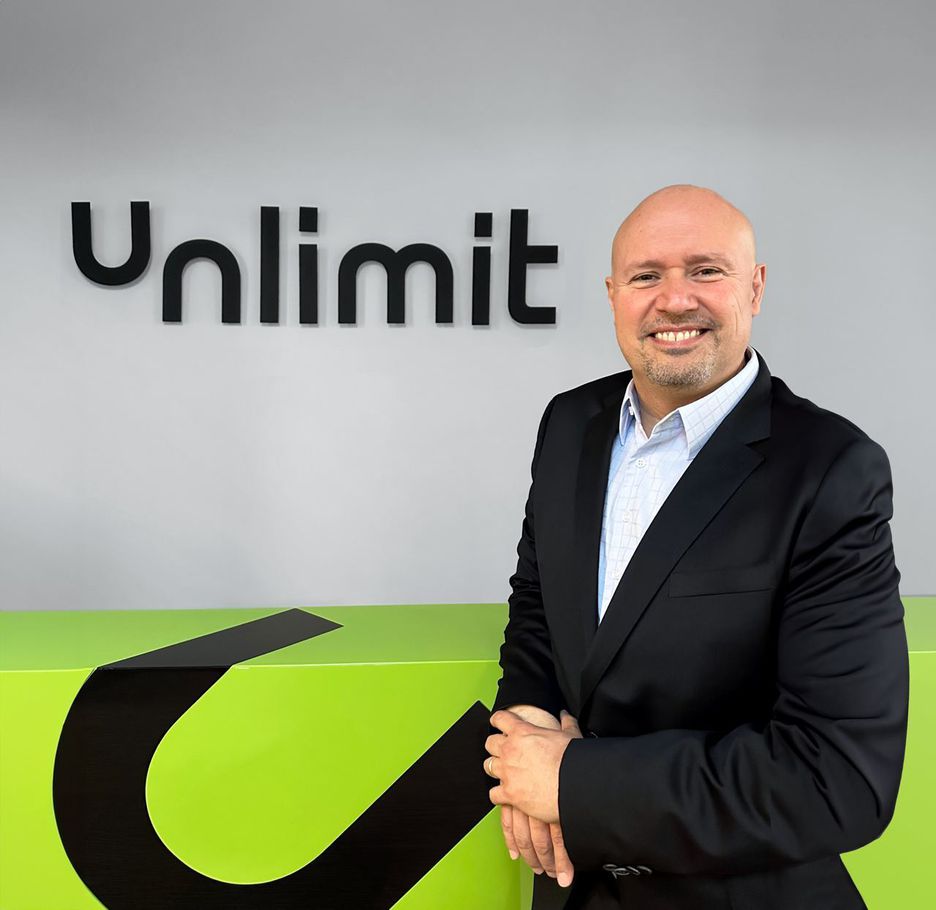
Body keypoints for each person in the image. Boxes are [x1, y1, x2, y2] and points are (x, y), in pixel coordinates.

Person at [483, 185, 909, 910]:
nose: (674, 300)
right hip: (572, 889)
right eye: (646, 276)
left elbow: (838, 778)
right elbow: (539, 607)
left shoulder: (831, 469)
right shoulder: (570, 424)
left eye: (705, 271)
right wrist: (525, 734)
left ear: (755, 286)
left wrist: (572, 783)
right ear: (613, 295)